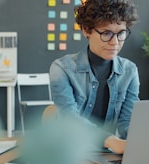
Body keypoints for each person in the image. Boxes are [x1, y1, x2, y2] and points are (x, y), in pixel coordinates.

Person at [49, 0, 140, 154]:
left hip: (108, 153)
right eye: (106, 33)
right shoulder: (61, 69)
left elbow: (127, 121)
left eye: (121, 33)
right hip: (69, 153)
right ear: (86, 30)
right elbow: (69, 119)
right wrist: (111, 141)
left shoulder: (130, 70)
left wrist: (140, 141)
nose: (115, 42)